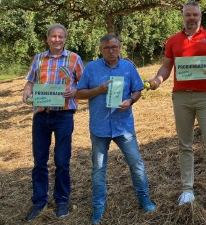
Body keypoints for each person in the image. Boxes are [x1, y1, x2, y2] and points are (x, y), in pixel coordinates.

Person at [146, 1, 206, 214]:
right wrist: (158, 79)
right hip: (181, 98)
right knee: (185, 144)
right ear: (183, 16)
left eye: (195, 15)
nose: (191, 18)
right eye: (188, 15)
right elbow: (167, 66)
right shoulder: (173, 40)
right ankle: (187, 189)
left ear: (200, 16)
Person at [75, 33, 156, 224]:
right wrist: (98, 90)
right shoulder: (92, 68)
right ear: (101, 50)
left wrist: (130, 100)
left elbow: (138, 90)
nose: (111, 51)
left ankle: (143, 197)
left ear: (119, 47)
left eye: (114, 47)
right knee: (98, 168)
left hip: (123, 127)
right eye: (106, 48)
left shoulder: (128, 67)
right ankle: (98, 206)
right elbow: (79, 93)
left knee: (136, 163)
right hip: (99, 127)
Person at [22, 23, 84, 222]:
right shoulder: (39, 58)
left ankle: (62, 201)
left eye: (60, 37)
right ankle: (39, 202)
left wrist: (74, 92)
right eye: (53, 37)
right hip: (41, 116)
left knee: (62, 161)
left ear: (65, 39)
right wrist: (27, 90)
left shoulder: (74, 59)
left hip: (64, 116)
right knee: (39, 161)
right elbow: (30, 81)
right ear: (47, 39)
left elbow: (83, 85)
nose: (57, 40)